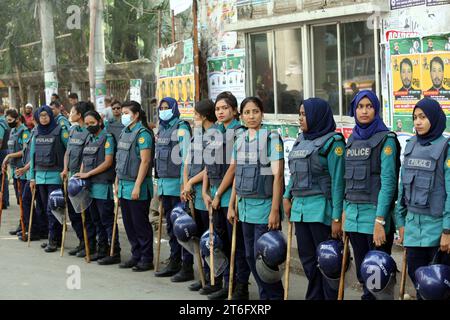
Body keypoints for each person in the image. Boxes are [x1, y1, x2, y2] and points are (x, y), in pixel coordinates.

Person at [283, 98, 345, 300]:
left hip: (321, 211)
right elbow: (294, 174)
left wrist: (337, 218)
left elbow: (338, 182)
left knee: (327, 263)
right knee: (308, 261)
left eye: (304, 114)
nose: (301, 118)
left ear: (317, 115)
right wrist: (286, 195)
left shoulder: (333, 143)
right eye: (299, 114)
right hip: (300, 210)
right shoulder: (301, 140)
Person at [343, 90, 400, 300]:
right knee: (363, 276)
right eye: (360, 106)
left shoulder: (386, 139)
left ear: (376, 109)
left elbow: (388, 183)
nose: (364, 111)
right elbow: (346, 181)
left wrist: (380, 221)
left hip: (375, 219)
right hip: (354, 220)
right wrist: (344, 215)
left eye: (369, 106)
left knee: (379, 280)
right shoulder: (351, 140)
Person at [228, 96, 285, 300]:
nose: (251, 116)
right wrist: (231, 205)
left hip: (264, 207)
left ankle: (273, 295)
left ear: (262, 114)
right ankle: (266, 295)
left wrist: (275, 210)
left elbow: (277, 175)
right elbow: (237, 173)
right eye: (247, 112)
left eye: (255, 111)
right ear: (241, 115)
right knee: (250, 256)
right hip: (244, 208)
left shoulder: (271, 138)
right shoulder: (240, 139)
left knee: (265, 257)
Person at [396, 97, 450, 300]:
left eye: (423, 117)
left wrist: (447, 231)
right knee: (421, 287)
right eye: (415, 118)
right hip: (413, 232)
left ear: (434, 119)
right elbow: (402, 191)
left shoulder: (446, 148)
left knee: (439, 289)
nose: (417, 122)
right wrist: (400, 223)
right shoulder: (410, 146)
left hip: (437, 233)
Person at [202, 91, 251, 300]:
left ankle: (240, 288)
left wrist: (219, 193)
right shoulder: (214, 132)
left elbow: (233, 168)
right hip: (214, 193)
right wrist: (205, 191)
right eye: (217, 109)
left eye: (224, 108)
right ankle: (224, 282)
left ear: (233, 110)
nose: (220, 112)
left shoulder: (239, 132)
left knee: (235, 244)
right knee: (220, 241)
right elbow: (208, 164)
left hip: (230, 194)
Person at [181, 99, 217, 292]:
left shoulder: (215, 136)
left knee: (209, 239)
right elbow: (187, 162)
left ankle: (214, 278)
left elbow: (209, 168)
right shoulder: (197, 135)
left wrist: (191, 182)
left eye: (195, 113)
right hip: (192, 192)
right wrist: (186, 183)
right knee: (198, 237)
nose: (194, 116)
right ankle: (203, 275)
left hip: (206, 194)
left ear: (203, 115)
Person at [154, 97, 192, 279]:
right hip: (164, 186)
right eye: (161, 108)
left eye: (167, 107)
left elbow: (186, 158)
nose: (163, 110)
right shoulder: (161, 128)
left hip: (178, 187)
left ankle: (186, 266)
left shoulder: (181, 128)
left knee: (182, 227)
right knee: (170, 227)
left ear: (175, 108)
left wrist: (184, 185)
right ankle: (174, 260)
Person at [76, 110, 120, 265]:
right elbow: (84, 159)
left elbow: (108, 162)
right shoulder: (89, 138)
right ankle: (102, 250)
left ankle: (114, 252)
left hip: (102, 185)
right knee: (95, 220)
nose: (89, 126)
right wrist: (81, 175)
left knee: (106, 220)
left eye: (92, 123)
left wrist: (89, 174)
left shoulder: (107, 138)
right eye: (87, 124)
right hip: (89, 186)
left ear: (100, 122)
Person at [115, 101, 155, 271]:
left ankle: (146, 258)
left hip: (137, 185)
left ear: (136, 114)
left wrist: (137, 186)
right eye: (122, 112)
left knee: (140, 224)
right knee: (129, 224)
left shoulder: (143, 134)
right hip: (124, 185)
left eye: (126, 112)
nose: (123, 115)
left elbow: (145, 162)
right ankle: (136, 254)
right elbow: (120, 159)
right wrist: (117, 182)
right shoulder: (125, 132)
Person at [29, 105, 69, 252]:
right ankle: (54, 238)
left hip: (55, 177)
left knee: (53, 209)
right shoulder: (36, 132)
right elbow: (32, 156)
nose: (44, 118)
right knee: (45, 210)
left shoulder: (60, 131)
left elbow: (69, 150)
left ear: (51, 116)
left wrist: (66, 169)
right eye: (41, 116)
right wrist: (32, 178)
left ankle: (54, 239)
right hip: (40, 177)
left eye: (46, 115)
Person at [60, 101, 97, 258]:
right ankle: (81, 242)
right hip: (70, 176)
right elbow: (68, 152)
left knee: (85, 214)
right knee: (73, 213)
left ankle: (90, 244)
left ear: (79, 114)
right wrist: (65, 169)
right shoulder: (73, 130)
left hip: (81, 178)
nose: (70, 114)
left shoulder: (89, 132)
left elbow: (86, 156)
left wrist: (80, 175)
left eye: (72, 111)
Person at [15, 119, 46, 241]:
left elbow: (36, 156)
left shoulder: (40, 133)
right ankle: (33, 229)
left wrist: (25, 169)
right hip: (31, 173)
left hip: (37, 174)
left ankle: (34, 230)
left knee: (29, 199)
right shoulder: (33, 131)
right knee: (30, 200)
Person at [2, 109, 30, 239]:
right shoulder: (12, 131)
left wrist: (8, 156)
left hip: (22, 170)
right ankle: (22, 223)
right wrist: (7, 161)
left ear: (17, 118)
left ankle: (28, 225)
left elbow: (24, 151)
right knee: (20, 200)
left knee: (25, 200)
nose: (8, 123)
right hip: (14, 169)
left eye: (10, 120)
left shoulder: (24, 132)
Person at [0, 105, 11, 214]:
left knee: (2, 176)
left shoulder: (0, 123)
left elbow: (0, 140)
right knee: (3, 176)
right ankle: (5, 200)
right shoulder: (5, 122)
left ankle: (3, 201)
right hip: (5, 151)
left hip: (2, 152)